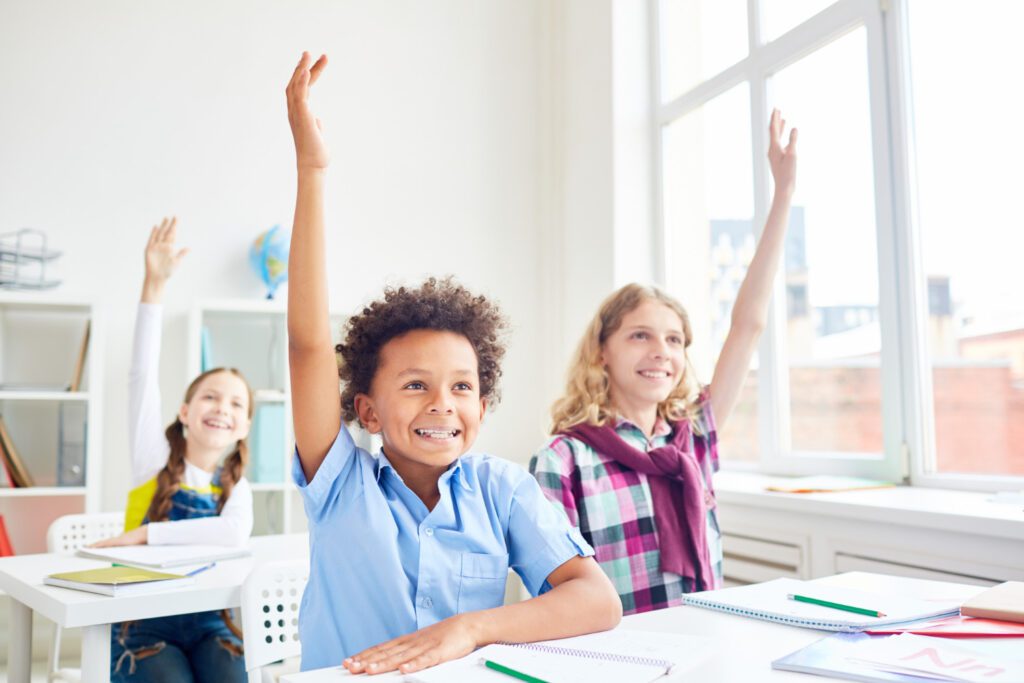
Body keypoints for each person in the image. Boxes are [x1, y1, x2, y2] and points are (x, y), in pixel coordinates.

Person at [285, 51, 622, 676]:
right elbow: (308, 346)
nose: (442, 403)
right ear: (366, 409)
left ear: (482, 406)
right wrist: (312, 169)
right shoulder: (340, 485)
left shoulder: (502, 489)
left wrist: (469, 629)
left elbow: (597, 600)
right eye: (415, 385)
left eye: (461, 387)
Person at [531, 110, 798, 615]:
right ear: (602, 352)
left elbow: (749, 325)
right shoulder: (563, 461)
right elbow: (554, 599)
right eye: (640, 336)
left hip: (705, 644)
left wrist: (783, 194)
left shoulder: (693, 435)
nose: (662, 352)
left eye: (675, 340)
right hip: (615, 659)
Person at [92, 217, 253, 682]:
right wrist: (154, 286)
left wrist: (145, 536)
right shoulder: (153, 458)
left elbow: (233, 535)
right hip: (141, 626)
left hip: (210, 623)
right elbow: (140, 375)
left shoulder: (235, 482)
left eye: (236, 404)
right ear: (185, 411)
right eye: (210, 396)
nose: (222, 408)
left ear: (243, 427)